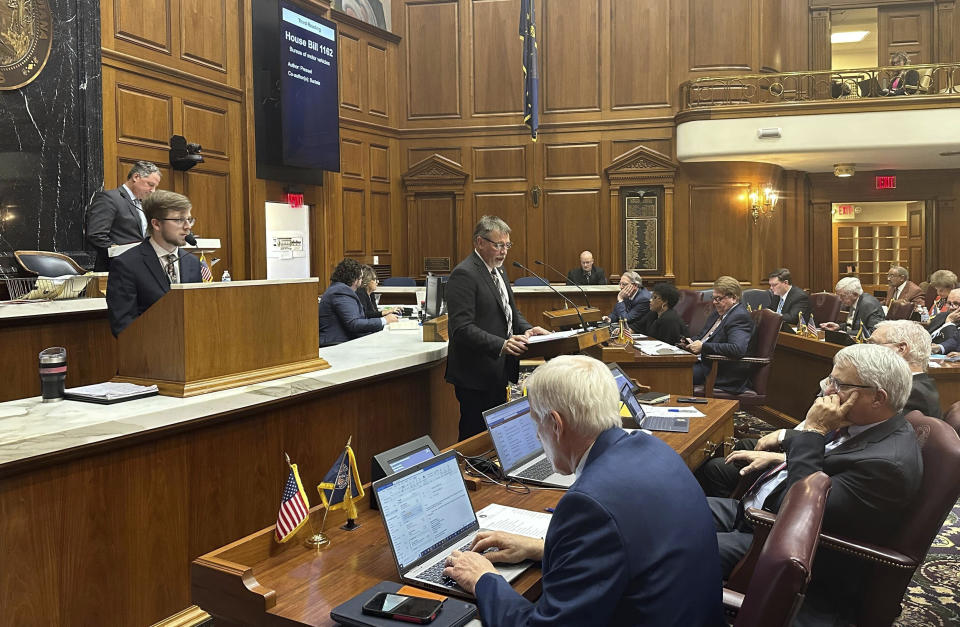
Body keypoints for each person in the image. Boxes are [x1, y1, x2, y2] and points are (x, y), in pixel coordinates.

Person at [442, 355, 722, 626]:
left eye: (535, 423)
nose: (537, 436)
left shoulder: (589, 505)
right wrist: (541, 549)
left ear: (555, 424)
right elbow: (630, 545)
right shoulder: (654, 449)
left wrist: (484, 580)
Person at [709, 344, 922, 626]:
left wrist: (813, 431)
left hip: (775, 539)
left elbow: (800, 515)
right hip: (752, 513)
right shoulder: (861, 423)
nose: (826, 391)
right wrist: (786, 448)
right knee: (670, 508)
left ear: (877, 398)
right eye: (830, 379)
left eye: (839, 383)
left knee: (676, 544)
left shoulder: (886, 466)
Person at [445, 216, 549, 440]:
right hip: (475, 374)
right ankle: (471, 473)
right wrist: (502, 345)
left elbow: (510, 312)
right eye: (498, 245)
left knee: (495, 437)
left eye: (507, 245)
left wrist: (528, 330)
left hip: (498, 371)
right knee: (475, 438)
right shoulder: (464, 274)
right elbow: (461, 328)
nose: (504, 251)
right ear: (479, 242)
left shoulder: (498, 271)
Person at [106, 190, 202, 336]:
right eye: (179, 220)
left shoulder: (192, 262)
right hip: (149, 353)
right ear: (156, 224)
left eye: (189, 219)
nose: (188, 226)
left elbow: (198, 313)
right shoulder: (126, 264)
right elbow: (123, 326)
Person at [681, 275, 754, 394]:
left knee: (673, 374)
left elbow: (737, 349)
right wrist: (690, 341)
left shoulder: (739, 317)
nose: (714, 302)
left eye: (719, 299)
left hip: (718, 370)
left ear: (734, 298)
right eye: (713, 298)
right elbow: (703, 337)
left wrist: (703, 347)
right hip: (702, 362)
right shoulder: (717, 314)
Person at [86, 161, 162, 271]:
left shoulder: (144, 204)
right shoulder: (110, 198)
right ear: (136, 177)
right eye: (150, 185)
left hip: (142, 269)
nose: (153, 191)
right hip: (116, 269)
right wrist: (125, 254)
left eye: (155, 187)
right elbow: (96, 235)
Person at [318, 258, 398, 346]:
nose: (361, 282)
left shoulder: (338, 289)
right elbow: (354, 324)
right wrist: (384, 320)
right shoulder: (340, 292)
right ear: (355, 279)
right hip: (338, 345)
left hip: (344, 341)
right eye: (361, 278)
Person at [820, 276, 884, 337]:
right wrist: (839, 327)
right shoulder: (854, 301)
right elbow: (853, 326)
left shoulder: (869, 304)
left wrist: (847, 334)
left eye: (842, 296)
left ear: (855, 294)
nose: (839, 299)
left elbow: (874, 332)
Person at [928, 287, 960, 355]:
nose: (951, 307)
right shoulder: (942, 316)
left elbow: (955, 346)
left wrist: (949, 323)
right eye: (949, 303)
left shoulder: (950, 318)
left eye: (956, 304)